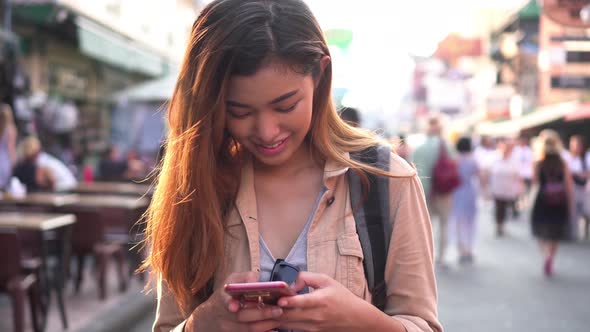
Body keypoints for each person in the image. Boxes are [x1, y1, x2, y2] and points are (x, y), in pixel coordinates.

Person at [143, 1, 442, 332]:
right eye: (240, 111)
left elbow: (422, 323)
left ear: (320, 74)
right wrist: (201, 325)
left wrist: (363, 321)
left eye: (285, 105)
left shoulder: (386, 180)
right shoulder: (198, 186)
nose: (267, 132)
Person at [412, 114, 454, 266]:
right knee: (444, 224)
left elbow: (413, 169)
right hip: (443, 191)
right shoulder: (447, 146)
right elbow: (454, 166)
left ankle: (428, 256)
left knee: (426, 226)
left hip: (424, 192)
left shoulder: (419, 148)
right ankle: (441, 257)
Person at [531, 130, 573, 277]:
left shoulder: (538, 163)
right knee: (555, 233)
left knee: (541, 231)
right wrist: (570, 204)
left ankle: (545, 255)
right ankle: (551, 256)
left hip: (542, 200)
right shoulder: (562, 163)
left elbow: (535, 182)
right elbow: (568, 185)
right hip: (559, 201)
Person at [451, 137, 480, 264]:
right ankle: (469, 249)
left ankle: (461, 249)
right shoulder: (473, 160)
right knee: (470, 222)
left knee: (458, 222)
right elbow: (481, 176)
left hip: (456, 192)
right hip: (470, 191)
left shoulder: (454, 160)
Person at [562, 135, 590, 240]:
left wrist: (581, 174)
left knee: (586, 211)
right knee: (573, 212)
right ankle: (573, 233)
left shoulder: (586, 157)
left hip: (585, 187)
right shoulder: (567, 157)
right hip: (572, 187)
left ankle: (586, 230)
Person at [0, 104, 18, 190]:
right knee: (6, 186)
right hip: (5, 159)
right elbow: (11, 148)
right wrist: (14, 160)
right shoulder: (11, 129)